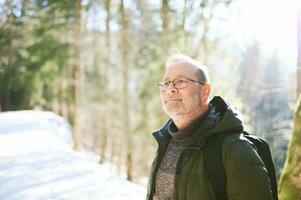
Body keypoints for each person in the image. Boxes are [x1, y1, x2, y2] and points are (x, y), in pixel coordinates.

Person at [146, 54, 272, 200]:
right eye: (166, 83)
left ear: (205, 91)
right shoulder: (165, 141)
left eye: (180, 81)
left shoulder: (235, 149)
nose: (170, 89)